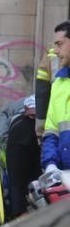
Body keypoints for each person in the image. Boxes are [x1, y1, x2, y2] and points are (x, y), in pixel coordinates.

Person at [41, 20, 70, 175]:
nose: (56, 51)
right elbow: (51, 131)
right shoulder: (59, 83)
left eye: (60, 44)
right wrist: (50, 164)